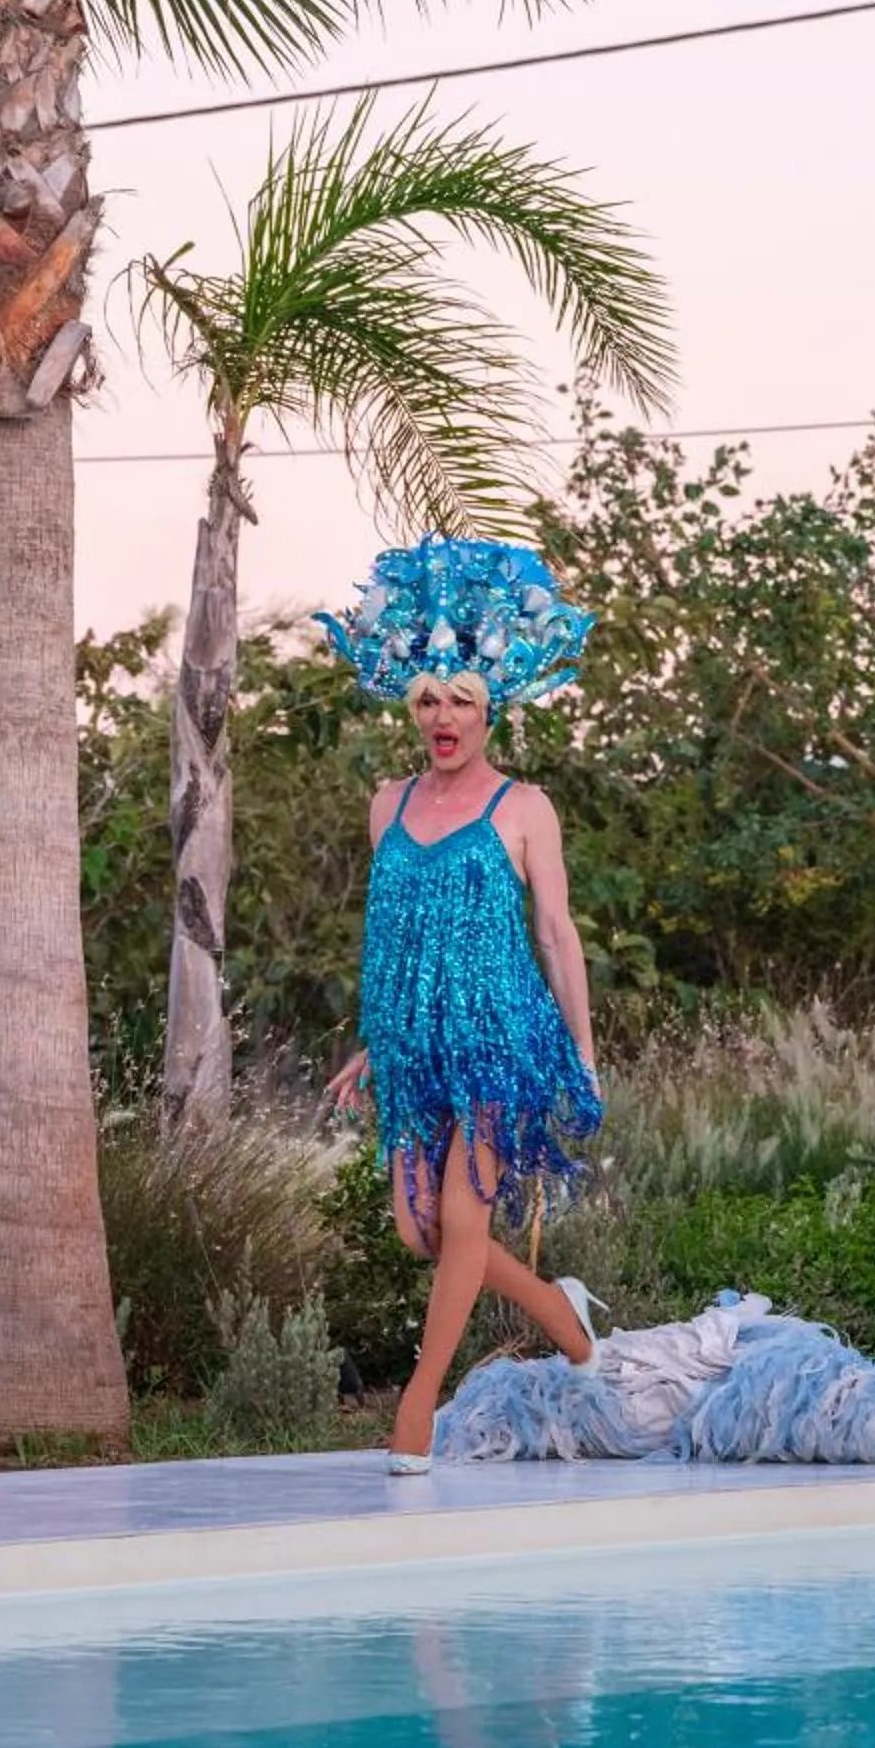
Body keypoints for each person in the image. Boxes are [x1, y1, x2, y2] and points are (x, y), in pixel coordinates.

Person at [318, 539, 608, 1474]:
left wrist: (583, 1050)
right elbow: (387, 936)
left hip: (500, 1039)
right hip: (412, 1043)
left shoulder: (526, 807)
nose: (445, 717)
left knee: (464, 1215)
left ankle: (416, 1412)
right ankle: (561, 1312)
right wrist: (372, 1044)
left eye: (464, 702)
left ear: (491, 712)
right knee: (424, 1230)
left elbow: (559, 935)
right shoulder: (386, 804)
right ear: (413, 708)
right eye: (430, 700)